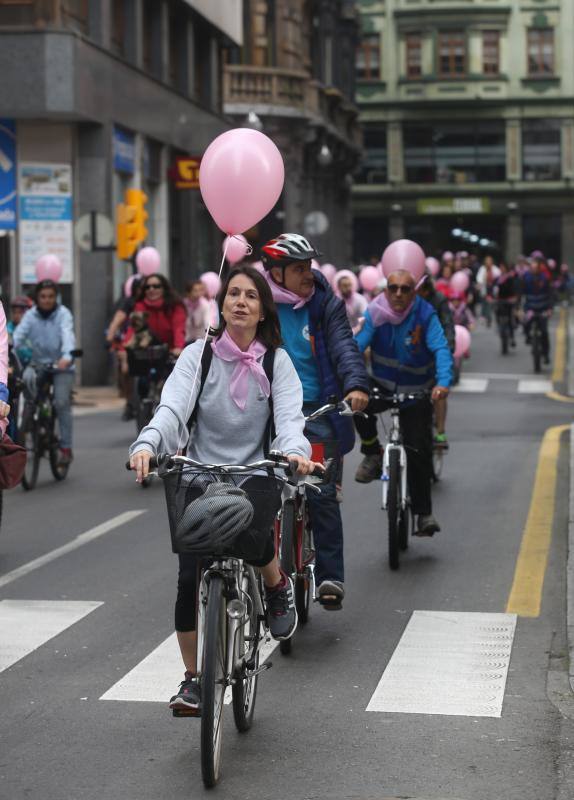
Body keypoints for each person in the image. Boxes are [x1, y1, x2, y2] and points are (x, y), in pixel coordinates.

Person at [129, 265, 319, 712]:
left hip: (255, 471)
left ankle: (274, 583)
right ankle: (193, 680)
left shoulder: (277, 361)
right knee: (188, 572)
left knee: (251, 534)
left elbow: (291, 419)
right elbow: (171, 409)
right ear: (223, 303)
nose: (240, 301)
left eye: (250, 296)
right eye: (233, 293)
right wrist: (147, 444)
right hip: (198, 472)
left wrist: (293, 452)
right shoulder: (200, 356)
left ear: (262, 310)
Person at [260, 232, 370, 610]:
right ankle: (263, 574)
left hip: (317, 409)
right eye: (298, 268)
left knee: (322, 494)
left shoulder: (325, 304)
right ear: (276, 272)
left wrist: (355, 385)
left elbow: (343, 345)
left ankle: (329, 577)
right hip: (269, 411)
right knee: (258, 493)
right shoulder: (257, 304)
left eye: (309, 266)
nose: (308, 274)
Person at [353, 262, 453, 536]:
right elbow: (356, 347)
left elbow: (441, 349)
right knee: (356, 403)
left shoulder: (426, 314)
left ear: (414, 292)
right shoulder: (375, 312)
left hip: (417, 391)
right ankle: (373, 452)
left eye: (405, 289)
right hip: (383, 386)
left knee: (419, 449)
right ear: (385, 291)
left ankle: (423, 514)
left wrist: (443, 383)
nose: (397, 294)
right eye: (392, 288)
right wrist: (352, 381)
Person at [13, 279, 76, 464]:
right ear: (37, 298)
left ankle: (65, 447)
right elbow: (17, 336)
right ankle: (32, 424)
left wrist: (66, 356)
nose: (47, 300)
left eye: (50, 296)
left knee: (61, 402)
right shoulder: (30, 315)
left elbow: (67, 335)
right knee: (27, 386)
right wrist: (8, 349)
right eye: (43, 297)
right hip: (38, 364)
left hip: (60, 365)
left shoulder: (63, 314)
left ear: (55, 297)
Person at [417, 274, 455, 450]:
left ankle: (440, 432)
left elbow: (447, 324)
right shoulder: (406, 299)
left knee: (439, 391)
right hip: (414, 353)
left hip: (434, 349)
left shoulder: (438, 299)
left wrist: (448, 346)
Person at [123, 273, 186, 355]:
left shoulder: (175, 305)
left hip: (168, 352)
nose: (151, 289)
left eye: (156, 286)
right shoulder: (139, 306)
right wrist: (125, 346)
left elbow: (178, 329)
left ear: (164, 288)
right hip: (143, 353)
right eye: (147, 287)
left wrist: (178, 347)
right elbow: (132, 328)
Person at [106, 276, 141, 421]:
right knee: (125, 368)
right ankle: (130, 401)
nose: (149, 291)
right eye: (143, 288)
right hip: (129, 342)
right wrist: (110, 336)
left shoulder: (157, 303)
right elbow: (118, 319)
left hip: (150, 342)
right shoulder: (129, 303)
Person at [522, 257, 553, 363]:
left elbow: (550, 294)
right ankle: (529, 338)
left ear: (539, 267)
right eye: (532, 266)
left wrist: (549, 308)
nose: (534, 268)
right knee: (525, 323)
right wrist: (519, 308)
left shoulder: (545, 278)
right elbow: (522, 293)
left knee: (544, 332)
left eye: (536, 266)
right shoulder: (526, 278)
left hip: (543, 308)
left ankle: (546, 353)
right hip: (530, 307)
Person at [476, 255, 500, 327]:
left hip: (492, 289)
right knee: (484, 303)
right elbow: (479, 278)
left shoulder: (495, 269)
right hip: (484, 288)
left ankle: (488, 317)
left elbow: (498, 278)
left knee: (489, 304)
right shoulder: (482, 269)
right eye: (487, 261)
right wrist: (481, 282)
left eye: (489, 261)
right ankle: (485, 316)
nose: (488, 262)